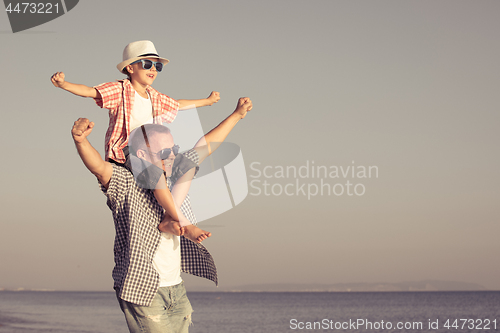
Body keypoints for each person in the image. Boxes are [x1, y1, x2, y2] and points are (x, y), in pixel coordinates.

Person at [71, 97, 252, 332]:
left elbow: (205, 145)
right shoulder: (126, 181)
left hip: (175, 287)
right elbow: (98, 167)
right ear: (142, 155)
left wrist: (236, 115)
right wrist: (80, 140)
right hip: (143, 288)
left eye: (174, 149)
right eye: (165, 151)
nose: (172, 155)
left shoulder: (175, 173)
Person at [52, 40, 219, 243]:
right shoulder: (120, 90)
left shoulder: (155, 97)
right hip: (128, 151)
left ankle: (168, 219)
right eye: (147, 64)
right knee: (156, 175)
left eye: (157, 66)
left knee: (187, 166)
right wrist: (63, 84)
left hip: (153, 151)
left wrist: (207, 101)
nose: (153, 70)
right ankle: (184, 222)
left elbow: (178, 104)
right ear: (130, 68)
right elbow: (90, 91)